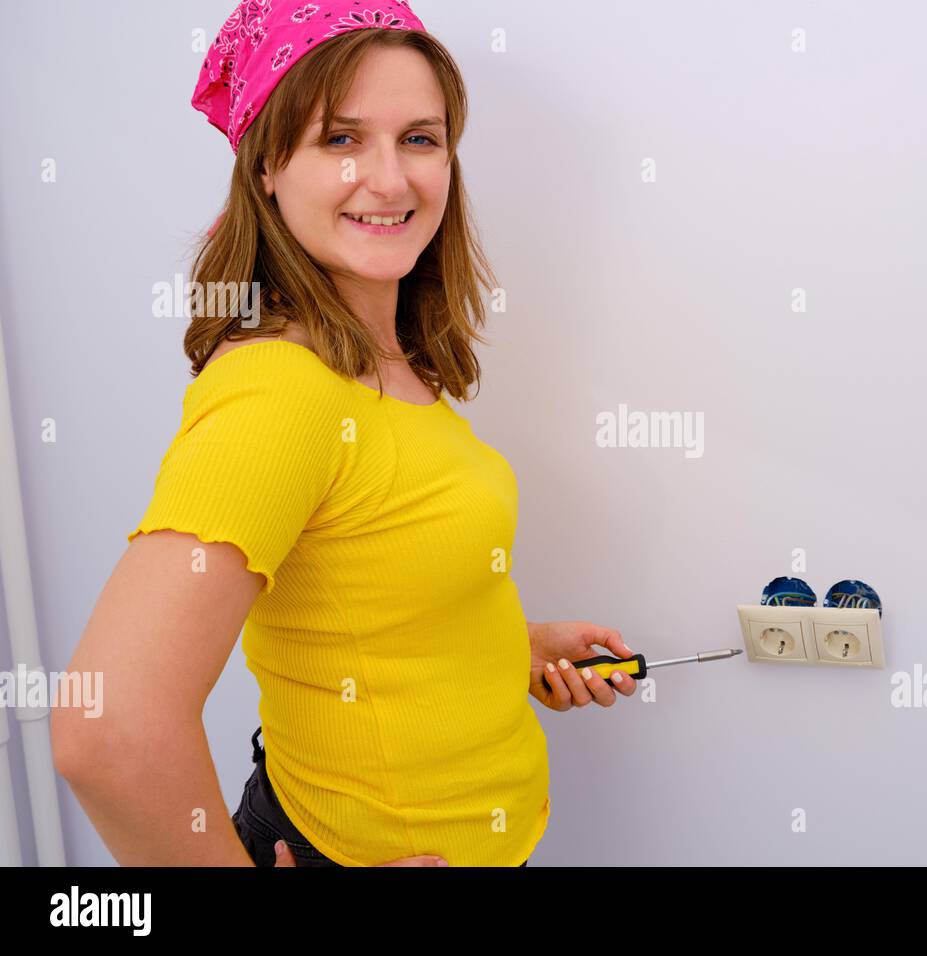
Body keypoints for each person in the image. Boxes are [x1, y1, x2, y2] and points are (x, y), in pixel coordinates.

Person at [51, 0, 637, 867]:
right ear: (266, 170)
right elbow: (106, 726)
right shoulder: (280, 391)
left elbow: (365, 590)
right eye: (339, 139)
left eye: (420, 138)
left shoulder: (391, 364)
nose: (391, 179)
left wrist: (511, 648)